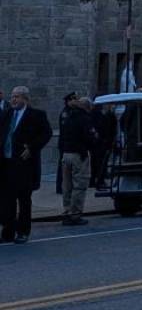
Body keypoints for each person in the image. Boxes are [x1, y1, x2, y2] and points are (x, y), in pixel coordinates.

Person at [0, 86, 52, 244]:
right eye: (12, 96)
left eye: (17, 97)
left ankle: (23, 231)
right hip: (6, 163)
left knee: (23, 200)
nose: (13, 99)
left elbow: (46, 134)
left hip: (24, 165)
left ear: (25, 99)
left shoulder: (36, 115)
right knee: (6, 200)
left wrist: (32, 147)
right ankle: (7, 231)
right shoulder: (7, 114)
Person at [59, 97, 97, 226]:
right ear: (87, 107)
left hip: (66, 154)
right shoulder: (85, 119)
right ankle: (75, 214)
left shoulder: (68, 117)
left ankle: (66, 210)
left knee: (67, 186)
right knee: (80, 185)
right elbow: (90, 138)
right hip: (79, 155)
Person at [56, 92, 79, 194]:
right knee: (63, 167)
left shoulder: (73, 111)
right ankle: (60, 187)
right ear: (68, 101)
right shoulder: (66, 113)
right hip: (65, 144)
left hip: (69, 144)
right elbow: (66, 129)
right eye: (74, 99)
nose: (76, 101)